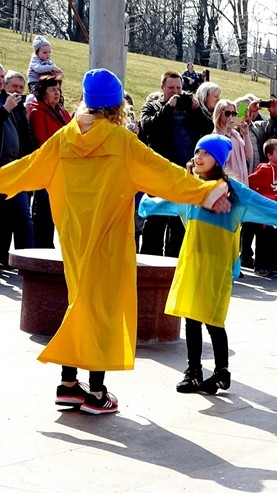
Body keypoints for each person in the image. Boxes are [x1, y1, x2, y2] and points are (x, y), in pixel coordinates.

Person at [0, 69, 231, 414]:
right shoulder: (121, 141)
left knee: (80, 304)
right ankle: (95, 392)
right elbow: (164, 174)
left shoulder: (64, 139)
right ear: (116, 105)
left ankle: (68, 385)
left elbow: (23, 169)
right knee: (102, 312)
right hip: (108, 242)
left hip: (75, 241)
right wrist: (207, 191)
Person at [139, 135, 277, 394]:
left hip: (217, 264)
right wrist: (144, 203)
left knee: (213, 319)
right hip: (192, 260)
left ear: (218, 160)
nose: (199, 157)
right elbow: (163, 201)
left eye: (206, 153)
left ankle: (222, 371)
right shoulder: (190, 188)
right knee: (191, 317)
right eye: (198, 151)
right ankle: (194, 372)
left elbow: (265, 206)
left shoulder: (234, 192)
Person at [139, 70, 206, 258]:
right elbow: (148, 128)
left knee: (179, 222)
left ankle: (174, 265)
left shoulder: (188, 107)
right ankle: (149, 265)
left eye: (178, 87)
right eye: (171, 88)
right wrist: (167, 108)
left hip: (184, 172)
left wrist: (197, 108)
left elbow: (208, 129)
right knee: (156, 220)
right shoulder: (152, 106)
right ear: (162, 88)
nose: (175, 91)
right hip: (160, 172)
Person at [27, 74, 71, 248]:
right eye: (52, 90)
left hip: (65, 170)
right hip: (48, 171)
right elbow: (42, 142)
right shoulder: (38, 112)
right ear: (43, 92)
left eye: (58, 90)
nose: (57, 93)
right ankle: (42, 251)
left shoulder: (62, 111)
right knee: (43, 215)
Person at [0, 70, 36, 267]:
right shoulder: (5, 104)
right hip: (2, 168)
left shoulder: (19, 107)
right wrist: (6, 109)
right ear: (6, 86)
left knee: (22, 217)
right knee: (8, 218)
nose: (18, 91)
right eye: (14, 86)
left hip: (16, 169)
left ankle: (27, 262)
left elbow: (26, 137)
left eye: (21, 88)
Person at [249, 139, 277, 278]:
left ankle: (274, 265)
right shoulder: (264, 169)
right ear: (269, 155)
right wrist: (262, 197)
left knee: (275, 238)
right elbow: (249, 181)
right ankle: (261, 266)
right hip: (265, 211)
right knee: (263, 239)